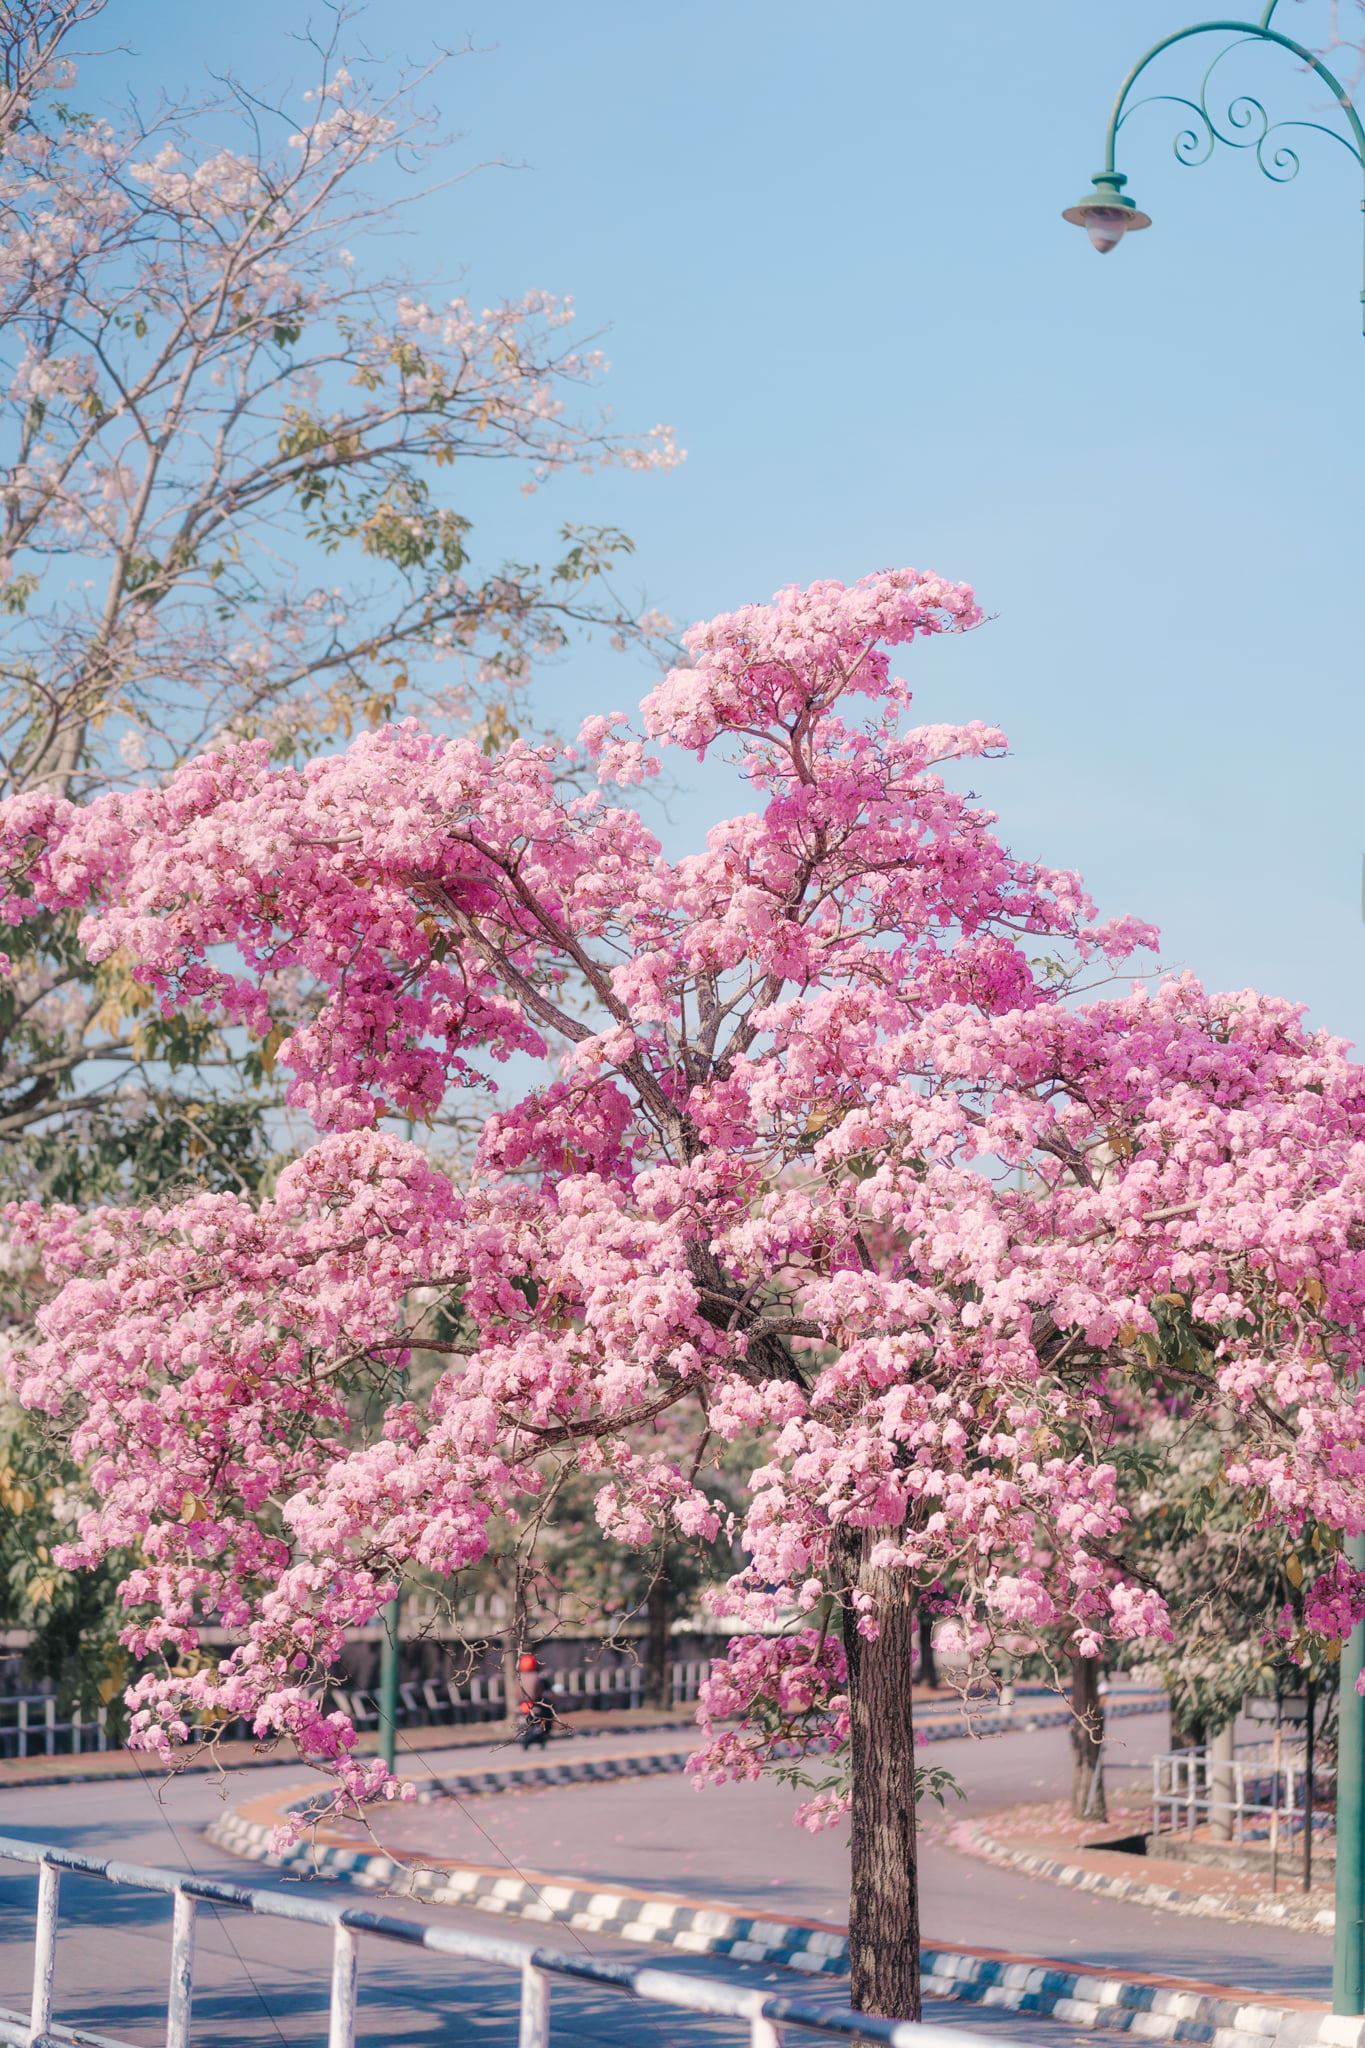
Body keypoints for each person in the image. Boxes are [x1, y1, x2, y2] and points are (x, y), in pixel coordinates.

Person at [516, 1652, 555, 1749]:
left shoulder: (518, 1677)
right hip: (534, 1703)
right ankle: (544, 1730)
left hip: (522, 1704)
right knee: (549, 1710)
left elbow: (516, 1693)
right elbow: (540, 1692)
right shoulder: (537, 1677)